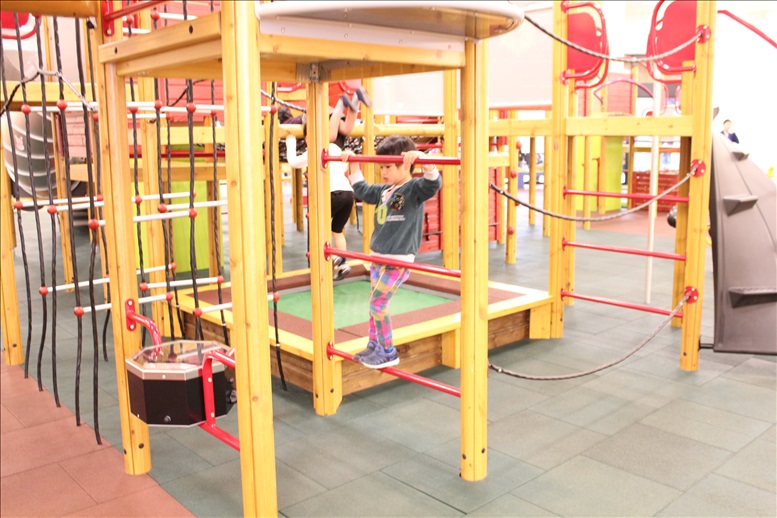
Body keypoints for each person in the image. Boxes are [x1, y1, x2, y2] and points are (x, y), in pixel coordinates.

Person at [341, 136, 442, 369]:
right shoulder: (385, 191)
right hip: (378, 258)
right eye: (382, 167)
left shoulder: (413, 189)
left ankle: (388, 351)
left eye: (388, 167)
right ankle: (374, 344)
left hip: (397, 260)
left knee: (378, 303)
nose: (383, 172)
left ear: (405, 165)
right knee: (373, 304)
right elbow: (362, 189)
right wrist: (353, 162)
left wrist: (424, 161)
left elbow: (432, 184)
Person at [286, 136, 354, 280]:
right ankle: (342, 263)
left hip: (332, 193)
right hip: (348, 193)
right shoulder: (335, 147)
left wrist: (290, 142)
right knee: (337, 230)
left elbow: (293, 162)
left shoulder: (314, 150)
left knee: (320, 228)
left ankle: (332, 258)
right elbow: (343, 167)